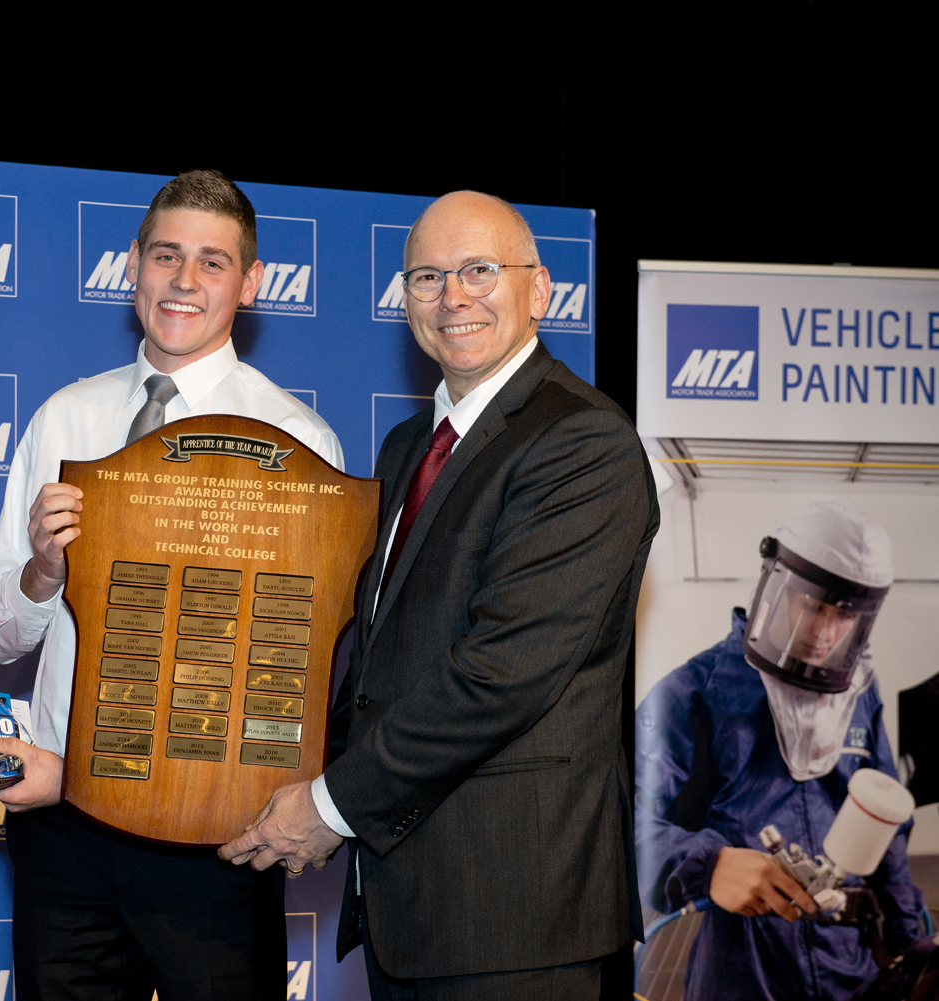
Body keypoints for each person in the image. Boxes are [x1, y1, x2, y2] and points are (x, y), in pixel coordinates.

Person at [220, 190, 658, 1000]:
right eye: (427, 277)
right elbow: (376, 662)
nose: (453, 296)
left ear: (540, 289)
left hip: (513, 913)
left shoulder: (583, 442)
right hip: (404, 904)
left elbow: (501, 674)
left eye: (479, 270)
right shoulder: (406, 446)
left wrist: (329, 805)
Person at [0, 169, 344, 1001]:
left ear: (250, 283)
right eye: (166, 255)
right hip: (64, 827)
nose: (184, 279)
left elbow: (306, 667)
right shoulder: (63, 417)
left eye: (214, 261)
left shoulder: (299, 442)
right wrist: (43, 569)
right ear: (132, 264)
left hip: (219, 836)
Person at [635, 503, 927, 1000]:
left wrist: (909, 944)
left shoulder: (859, 692)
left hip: (849, 968)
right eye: (813, 606)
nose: (827, 633)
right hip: (743, 970)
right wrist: (709, 864)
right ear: (775, 585)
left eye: (845, 615)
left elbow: (886, 828)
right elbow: (611, 823)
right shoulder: (696, 693)